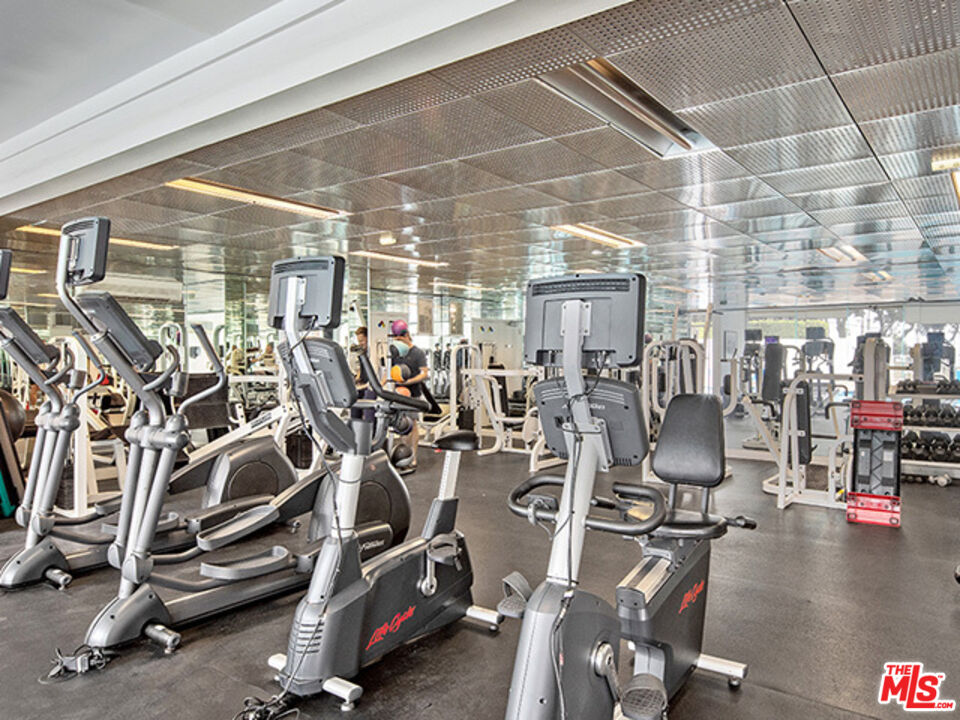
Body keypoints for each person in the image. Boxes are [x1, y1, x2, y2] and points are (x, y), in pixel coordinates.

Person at [389, 320, 428, 470]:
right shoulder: (396, 353)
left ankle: (414, 457)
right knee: (401, 425)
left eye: (399, 338)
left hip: (413, 394)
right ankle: (403, 455)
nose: (397, 341)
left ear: (406, 336)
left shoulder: (417, 353)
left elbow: (424, 373)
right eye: (396, 339)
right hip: (398, 394)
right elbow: (389, 371)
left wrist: (409, 381)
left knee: (413, 425)